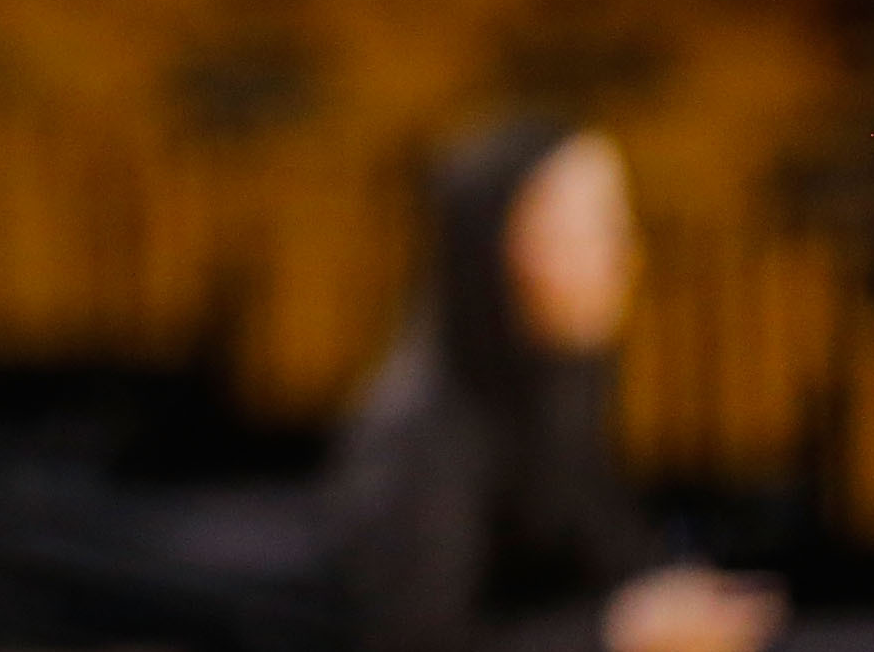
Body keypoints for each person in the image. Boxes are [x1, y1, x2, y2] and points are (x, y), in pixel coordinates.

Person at [330, 120, 782, 652]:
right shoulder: (417, 435)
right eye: (600, 227)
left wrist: (675, 603)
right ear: (508, 247)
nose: (626, 254)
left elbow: (611, 557)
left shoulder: (562, 378)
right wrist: (617, 633)